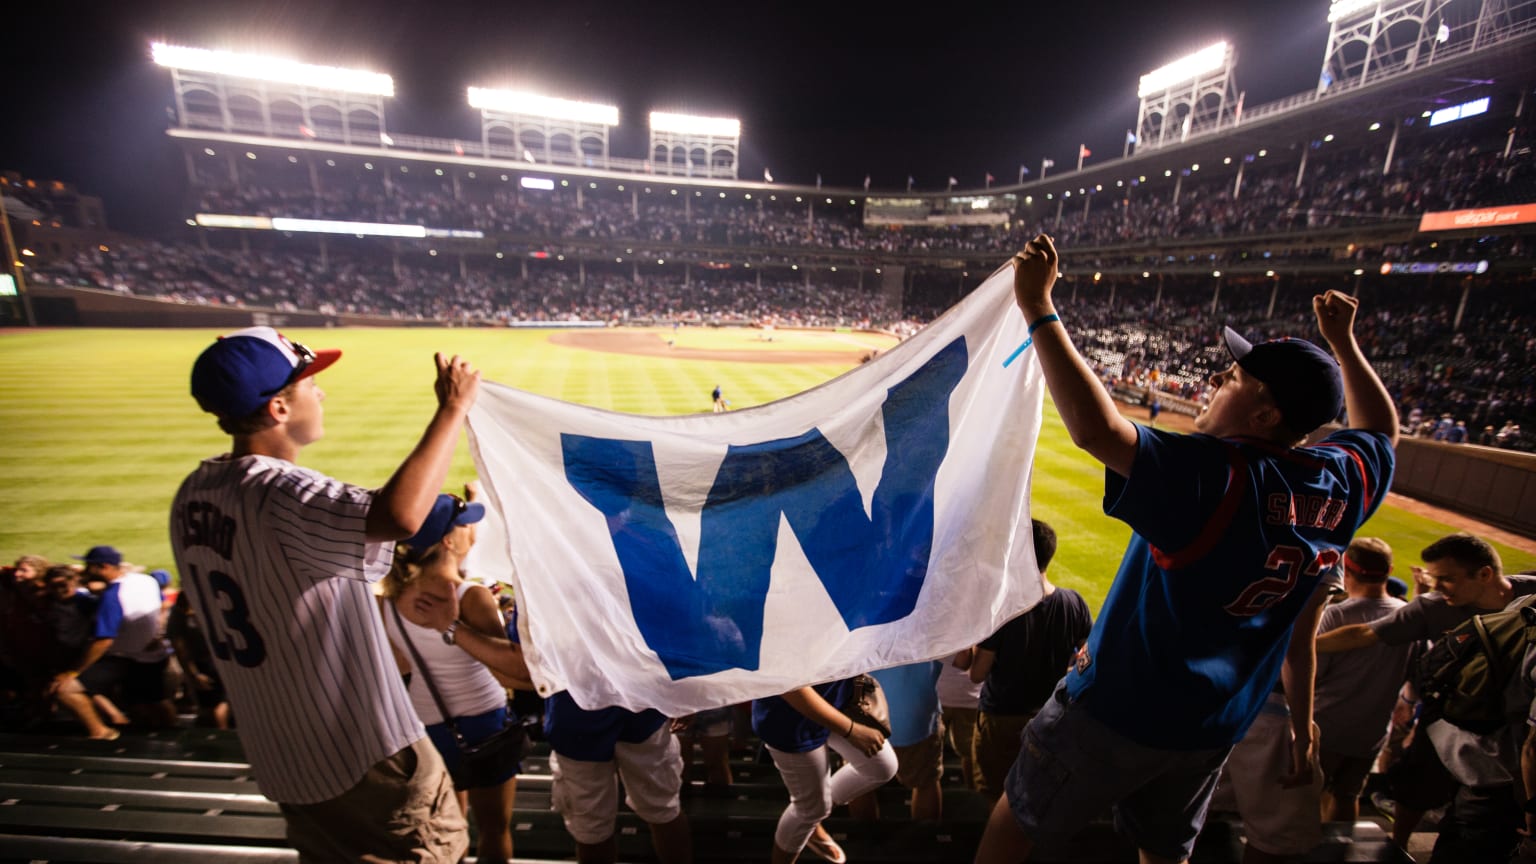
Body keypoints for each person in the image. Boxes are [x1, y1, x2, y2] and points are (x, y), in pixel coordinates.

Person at [974, 235, 1398, 864]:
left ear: (1264, 412)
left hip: (1114, 712)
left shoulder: (1214, 474)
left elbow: (1096, 430)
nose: (1215, 380)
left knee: (1014, 830)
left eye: (1232, 377)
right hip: (1213, 724)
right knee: (1165, 851)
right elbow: (1381, 429)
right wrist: (1342, 345)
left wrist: (1038, 305)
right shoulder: (1340, 482)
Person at [169, 325, 479, 863]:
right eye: (310, 383)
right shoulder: (281, 491)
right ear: (279, 409)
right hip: (364, 753)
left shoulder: (193, 493)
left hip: (284, 758)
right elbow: (400, 515)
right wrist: (452, 409)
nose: (322, 392)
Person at [382, 491, 530, 864]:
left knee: (449, 830)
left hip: (426, 727)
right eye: (467, 523)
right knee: (494, 832)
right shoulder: (470, 596)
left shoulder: (390, 598)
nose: (473, 528)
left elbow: (401, 666)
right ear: (449, 539)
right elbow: (512, 675)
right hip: (484, 725)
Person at [968, 519, 1091, 802]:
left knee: (996, 795)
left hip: (1002, 720)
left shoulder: (1003, 610)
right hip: (1050, 717)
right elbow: (1088, 660)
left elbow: (977, 674)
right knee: (1040, 798)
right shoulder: (1074, 603)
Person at [1313, 538, 1413, 823]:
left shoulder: (1336, 615)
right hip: (1372, 732)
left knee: (1305, 800)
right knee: (1348, 796)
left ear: (1347, 568)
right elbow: (1415, 677)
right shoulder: (1408, 614)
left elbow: (1313, 674)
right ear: (1389, 570)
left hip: (1325, 728)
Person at [754, 681, 898, 864]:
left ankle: (812, 820)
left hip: (837, 699)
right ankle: (809, 819)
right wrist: (850, 729)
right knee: (810, 809)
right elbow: (788, 687)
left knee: (882, 768)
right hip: (791, 719)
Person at [55, 545, 175, 734]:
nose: (86, 570)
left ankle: (101, 733)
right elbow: (163, 603)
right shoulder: (145, 580)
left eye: (89, 566)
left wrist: (74, 672)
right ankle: (173, 738)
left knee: (66, 690)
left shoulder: (112, 597)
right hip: (155, 655)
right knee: (155, 703)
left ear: (103, 567)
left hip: (125, 659)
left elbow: (104, 641)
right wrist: (157, 632)